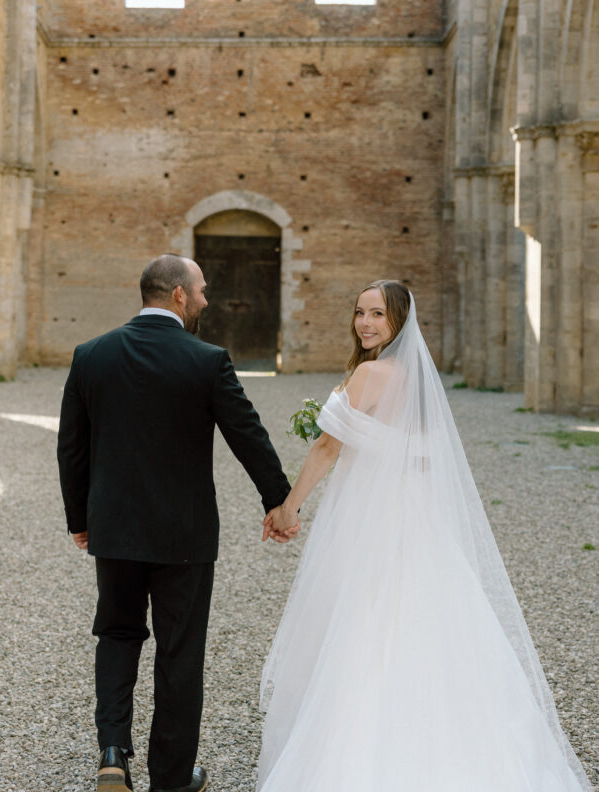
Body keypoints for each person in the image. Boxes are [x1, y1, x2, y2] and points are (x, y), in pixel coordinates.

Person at [259, 280, 591, 792]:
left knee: (364, 624)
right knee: (432, 619)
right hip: (416, 516)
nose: (366, 324)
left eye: (378, 315)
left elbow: (326, 449)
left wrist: (287, 508)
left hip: (372, 520)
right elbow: (424, 456)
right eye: (359, 312)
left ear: (399, 321)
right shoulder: (418, 381)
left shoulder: (369, 374)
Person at [57, 254, 295, 792]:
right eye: (204, 291)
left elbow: (71, 447)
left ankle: (113, 752)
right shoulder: (206, 360)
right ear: (180, 296)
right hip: (183, 537)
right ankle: (170, 777)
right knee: (179, 651)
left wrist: (80, 518)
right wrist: (280, 501)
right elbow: (247, 435)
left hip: (113, 530)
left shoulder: (90, 355)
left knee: (116, 634)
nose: (208, 300)